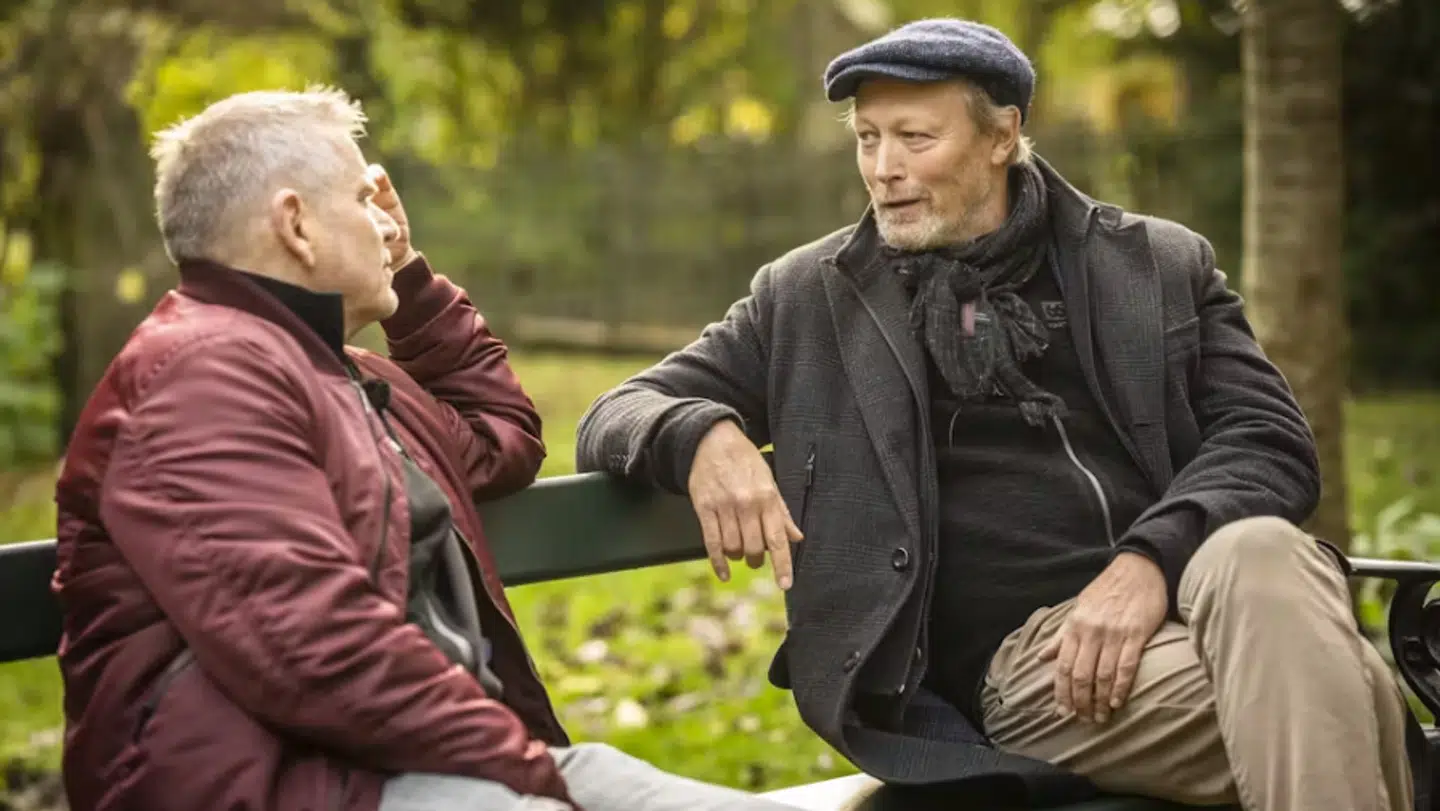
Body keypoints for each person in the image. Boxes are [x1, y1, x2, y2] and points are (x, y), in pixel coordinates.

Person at [576, 18, 1414, 811]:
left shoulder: (1154, 265)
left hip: (1197, 606)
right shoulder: (806, 298)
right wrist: (703, 433)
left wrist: (1147, 565)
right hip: (1030, 670)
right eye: (869, 138)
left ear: (1003, 136)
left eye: (916, 138)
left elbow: (1270, 440)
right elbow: (619, 408)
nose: (883, 168)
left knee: (1266, 551)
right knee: (1353, 693)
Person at [52, 87, 799, 811]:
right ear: (296, 225)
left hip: (421, 765)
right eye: (361, 202)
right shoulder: (198, 378)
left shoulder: (333, 372)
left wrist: (404, 272)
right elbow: (315, 650)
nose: (383, 223)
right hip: (295, 785)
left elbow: (499, 434)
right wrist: (526, 770)